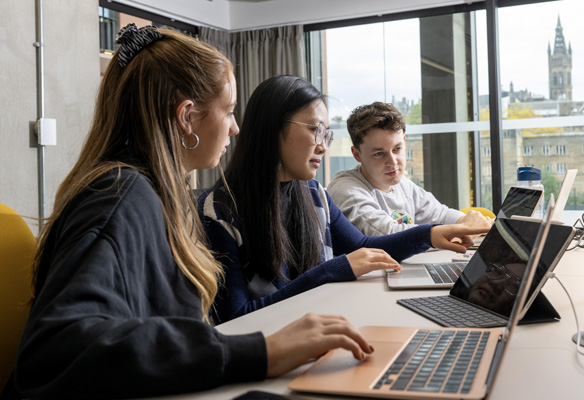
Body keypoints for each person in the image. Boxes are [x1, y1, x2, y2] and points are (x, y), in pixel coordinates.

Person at [5, 25, 378, 400]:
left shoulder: (157, 194)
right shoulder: (120, 196)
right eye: (229, 111)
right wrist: (260, 352)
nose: (235, 128)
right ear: (187, 117)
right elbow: (55, 349)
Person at [199, 76, 489, 325]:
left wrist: (430, 234)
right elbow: (234, 319)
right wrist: (332, 270)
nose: (323, 145)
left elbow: (363, 246)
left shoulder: (313, 194)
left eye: (327, 132)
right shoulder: (221, 211)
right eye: (315, 130)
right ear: (271, 129)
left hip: (325, 330)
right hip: (276, 350)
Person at [327, 101, 493, 236]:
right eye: (379, 154)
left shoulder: (402, 185)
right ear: (357, 155)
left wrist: (467, 222)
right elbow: (386, 233)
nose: (393, 162)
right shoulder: (346, 189)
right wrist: (458, 229)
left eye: (397, 149)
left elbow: (441, 214)